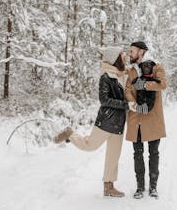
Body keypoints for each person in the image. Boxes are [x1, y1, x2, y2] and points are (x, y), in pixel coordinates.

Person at [53, 46, 135, 198]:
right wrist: (125, 105)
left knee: (113, 156)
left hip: (119, 124)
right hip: (106, 120)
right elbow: (104, 100)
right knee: (89, 145)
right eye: (122, 55)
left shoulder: (123, 75)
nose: (125, 57)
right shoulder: (106, 77)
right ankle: (70, 134)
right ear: (115, 58)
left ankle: (109, 187)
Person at [125, 41, 167, 199]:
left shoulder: (156, 67)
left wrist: (144, 85)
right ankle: (140, 187)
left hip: (152, 118)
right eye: (129, 52)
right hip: (136, 117)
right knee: (137, 153)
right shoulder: (130, 70)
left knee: (154, 153)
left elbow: (162, 84)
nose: (130, 54)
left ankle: (153, 187)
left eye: (132, 51)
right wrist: (132, 103)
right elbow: (128, 89)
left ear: (141, 52)